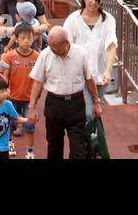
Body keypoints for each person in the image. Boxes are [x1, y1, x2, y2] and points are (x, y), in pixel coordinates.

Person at [27, 26, 102, 160]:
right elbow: (37, 83)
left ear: (66, 43)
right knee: (54, 147)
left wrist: (96, 102)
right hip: (54, 104)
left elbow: (89, 80)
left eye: (55, 46)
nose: (52, 49)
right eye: (50, 45)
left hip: (76, 104)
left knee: (79, 150)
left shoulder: (81, 54)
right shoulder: (45, 55)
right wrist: (31, 108)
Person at [63, 0, 118, 120]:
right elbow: (66, 45)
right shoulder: (73, 20)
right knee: (87, 112)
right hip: (80, 74)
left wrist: (108, 70)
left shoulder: (109, 20)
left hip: (100, 74)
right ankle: (86, 139)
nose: (93, 2)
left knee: (95, 110)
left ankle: (92, 138)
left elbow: (111, 46)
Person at [0, 22, 38, 158]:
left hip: (29, 99)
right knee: (9, 123)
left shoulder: (37, 57)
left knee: (29, 125)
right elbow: (3, 76)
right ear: (16, 39)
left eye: (29, 37)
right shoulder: (9, 56)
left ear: (34, 38)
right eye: (23, 38)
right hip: (12, 97)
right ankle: (9, 143)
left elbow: (40, 79)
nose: (26, 41)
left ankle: (30, 151)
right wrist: (5, 91)